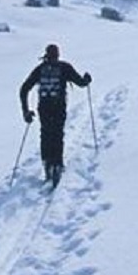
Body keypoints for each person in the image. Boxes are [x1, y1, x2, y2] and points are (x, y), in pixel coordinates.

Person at [19, 44, 92, 183]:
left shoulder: (40, 69)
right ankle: (57, 164)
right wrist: (87, 79)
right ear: (58, 55)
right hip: (59, 107)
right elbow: (81, 83)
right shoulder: (64, 67)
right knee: (58, 134)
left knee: (45, 133)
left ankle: (47, 164)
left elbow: (24, 89)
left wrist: (26, 111)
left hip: (44, 107)